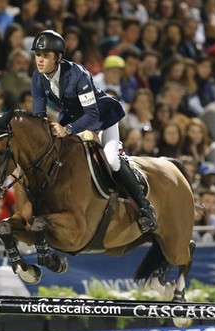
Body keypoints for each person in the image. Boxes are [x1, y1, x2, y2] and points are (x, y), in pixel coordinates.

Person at [29, 29, 156, 233]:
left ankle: (145, 208)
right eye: (38, 55)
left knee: (111, 160)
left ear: (59, 57)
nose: (40, 60)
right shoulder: (37, 77)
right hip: (71, 120)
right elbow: (38, 115)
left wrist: (67, 129)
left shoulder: (77, 75)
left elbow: (92, 114)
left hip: (102, 118)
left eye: (45, 56)